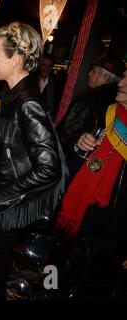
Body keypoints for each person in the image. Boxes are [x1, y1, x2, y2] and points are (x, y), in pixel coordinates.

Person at [0, 22, 65, 300]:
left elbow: (49, 167)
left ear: (16, 59)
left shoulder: (28, 103)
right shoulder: (14, 95)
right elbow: (19, 145)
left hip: (6, 210)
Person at [56, 67, 127, 291]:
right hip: (75, 201)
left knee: (87, 279)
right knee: (56, 263)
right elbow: (66, 141)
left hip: (109, 219)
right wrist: (78, 142)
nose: (121, 83)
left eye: (126, 80)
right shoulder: (102, 110)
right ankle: (50, 289)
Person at [58, 56, 124, 164]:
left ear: (106, 78)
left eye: (94, 72)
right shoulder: (119, 104)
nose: (89, 74)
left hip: (72, 160)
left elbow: (66, 132)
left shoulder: (88, 98)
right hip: (99, 163)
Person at [35, 54, 59, 119]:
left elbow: (54, 105)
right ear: (39, 65)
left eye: (49, 66)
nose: (46, 68)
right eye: (44, 65)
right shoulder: (32, 79)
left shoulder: (55, 83)